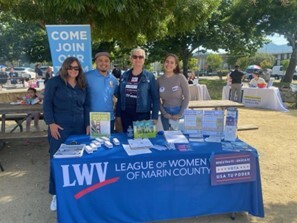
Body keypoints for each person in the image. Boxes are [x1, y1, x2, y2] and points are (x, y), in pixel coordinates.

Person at [43, 57, 89, 211]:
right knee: (56, 159)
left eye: (76, 68)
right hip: (60, 128)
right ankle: (55, 193)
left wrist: (88, 123)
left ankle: (75, 192)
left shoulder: (82, 84)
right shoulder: (54, 82)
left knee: (77, 159)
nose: (73, 71)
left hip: (79, 127)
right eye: (70, 67)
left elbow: (87, 105)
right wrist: (51, 124)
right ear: (65, 68)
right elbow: (47, 103)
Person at [115, 48, 159, 132]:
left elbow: (155, 98)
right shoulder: (124, 75)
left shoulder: (150, 76)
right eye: (135, 57)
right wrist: (118, 115)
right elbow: (120, 98)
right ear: (131, 59)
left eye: (140, 57)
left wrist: (154, 117)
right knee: (126, 141)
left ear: (144, 60)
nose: (137, 59)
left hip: (143, 117)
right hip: (125, 116)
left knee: (142, 142)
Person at [85, 51, 118, 133]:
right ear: (95, 62)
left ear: (109, 63)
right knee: (94, 145)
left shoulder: (113, 79)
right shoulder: (86, 77)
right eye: (100, 60)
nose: (103, 63)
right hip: (94, 119)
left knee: (109, 144)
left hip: (110, 118)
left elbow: (117, 96)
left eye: (106, 61)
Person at [157, 54, 190, 130]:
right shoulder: (159, 80)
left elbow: (187, 97)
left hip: (179, 111)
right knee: (166, 137)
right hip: (165, 113)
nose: (169, 64)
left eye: (172, 62)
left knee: (179, 139)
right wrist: (164, 113)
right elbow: (156, 99)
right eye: (167, 61)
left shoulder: (180, 77)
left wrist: (180, 113)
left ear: (175, 65)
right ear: (163, 63)